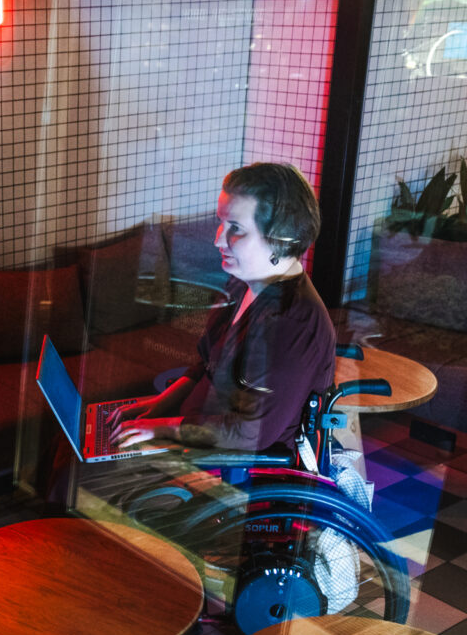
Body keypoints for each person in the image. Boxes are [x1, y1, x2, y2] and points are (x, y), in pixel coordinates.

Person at [108, 162, 337, 456]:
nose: (218, 239)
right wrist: (157, 406)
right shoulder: (241, 284)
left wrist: (160, 428)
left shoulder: (293, 324)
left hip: (235, 472)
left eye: (236, 229)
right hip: (192, 442)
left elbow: (248, 434)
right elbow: (205, 364)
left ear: (279, 239)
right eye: (221, 222)